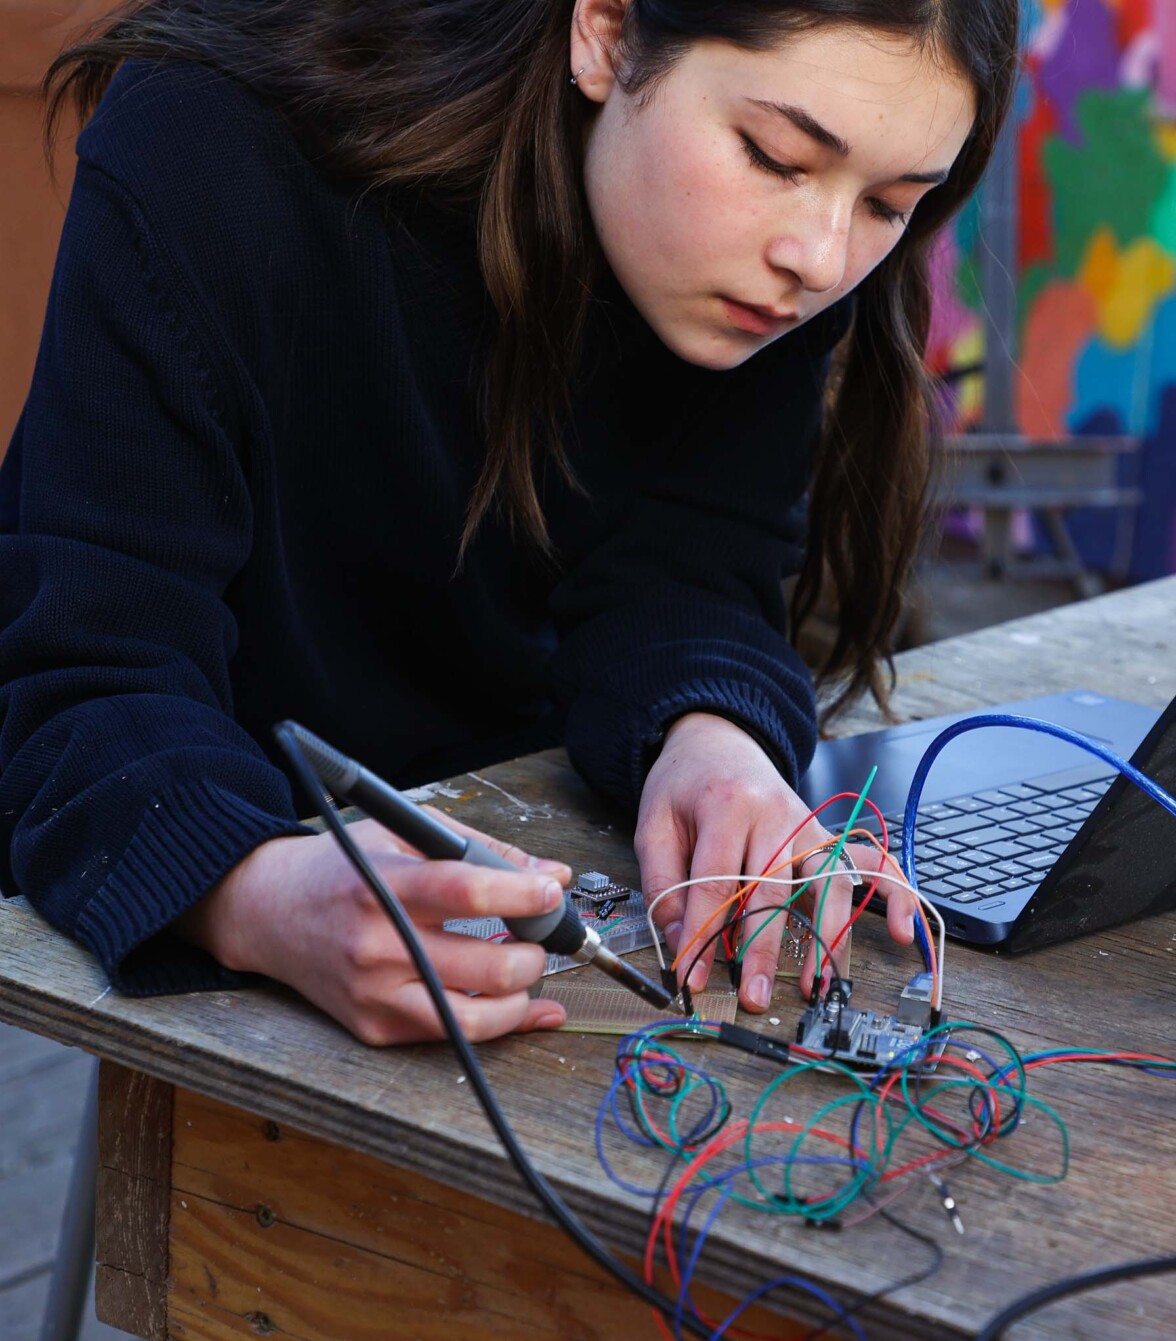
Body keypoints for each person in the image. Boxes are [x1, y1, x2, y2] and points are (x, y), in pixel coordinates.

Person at [0, 0, 1017, 1044]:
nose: (820, 257)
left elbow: (689, 567)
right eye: (775, 155)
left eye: (892, 203)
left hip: (537, 924)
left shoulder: (766, 270)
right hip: (213, 914)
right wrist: (252, 889)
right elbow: (85, 671)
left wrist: (709, 739)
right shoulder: (210, 145)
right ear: (606, 33)